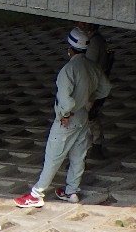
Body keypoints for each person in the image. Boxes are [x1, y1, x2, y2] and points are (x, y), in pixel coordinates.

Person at [14, 27, 111, 208]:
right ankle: (72, 191)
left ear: (70, 49)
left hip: (69, 118)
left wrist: (65, 113)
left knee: (53, 156)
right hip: (83, 115)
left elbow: (65, 99)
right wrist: (89, 100)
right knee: (78, 155)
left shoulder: (68, 70)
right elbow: (105, 88)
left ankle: (37, 194)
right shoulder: (93, 67)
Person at [76, 22, 113, 158]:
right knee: (91, 116)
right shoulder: (95, 40)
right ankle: (96, 144)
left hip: (91, 85)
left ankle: (89, 148)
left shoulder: (93, 42)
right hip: (94, 83)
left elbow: (87, 65)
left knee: (87, 117)